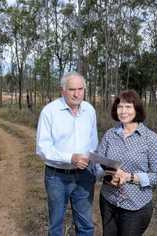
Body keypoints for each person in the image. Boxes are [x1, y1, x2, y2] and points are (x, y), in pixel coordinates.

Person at [97, 90, 157, 236]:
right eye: (120, 107)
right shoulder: (110, 135)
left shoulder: (150, 139)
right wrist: (108, 173)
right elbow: (98, 164)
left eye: (128, 107)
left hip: (135, 206)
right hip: (108, 200)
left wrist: (129, 177)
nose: (123, 111)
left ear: (137, 109)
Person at [36, 71, 98, 236]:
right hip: (57, 177)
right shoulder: (50, 111)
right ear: (63, 90)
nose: (77, 94)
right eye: (72, 89)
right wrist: (70, 158)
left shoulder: (89, 110)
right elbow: (42, 148)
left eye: (80, 89)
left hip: (85, 175)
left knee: (85, 224)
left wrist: (96, 168)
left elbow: (93, 143)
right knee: (56, 225)